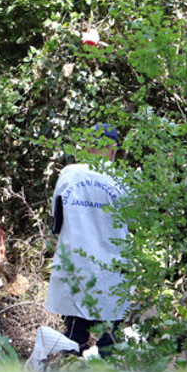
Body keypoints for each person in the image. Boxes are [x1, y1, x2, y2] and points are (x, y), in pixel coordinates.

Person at [46, 124, 129, 357]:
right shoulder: (123, 180)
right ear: (113, 150)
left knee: (73, 335)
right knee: (109, 337)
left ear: (87, 146)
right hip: (110, 267)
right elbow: (132, 222)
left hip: (77, 264)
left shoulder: (69, 174)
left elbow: (57, 218)